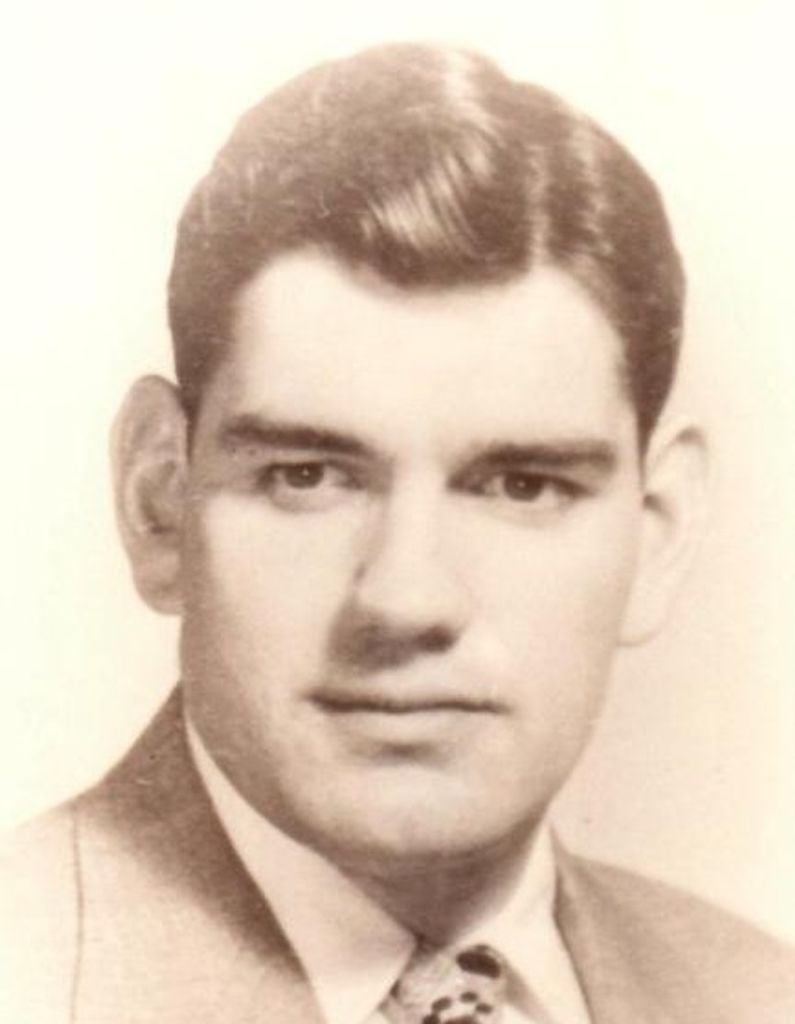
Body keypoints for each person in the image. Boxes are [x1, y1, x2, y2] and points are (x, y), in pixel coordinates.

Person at [2, 41, 793, 1024]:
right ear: (158, 502)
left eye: (522, 485)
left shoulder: (760, 992)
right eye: (306, 476)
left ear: (658, 535)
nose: (407, 599)